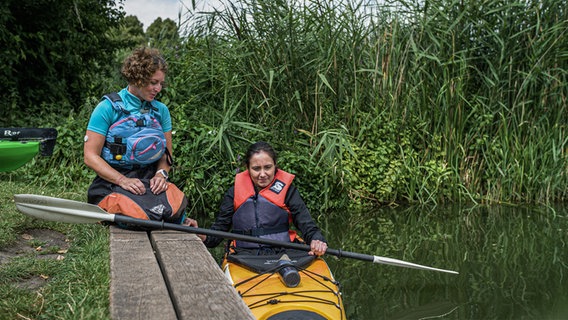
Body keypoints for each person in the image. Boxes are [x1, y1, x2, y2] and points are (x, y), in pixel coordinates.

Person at [84, 47, 197, 227]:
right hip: (114, 179)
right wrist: (123, 180)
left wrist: (161, 175)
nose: (158, 88)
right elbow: (90, 156)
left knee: (174, 206)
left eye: (161, 83)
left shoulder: (161, 111)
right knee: (137, 214)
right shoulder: (107, 108)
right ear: (137, 78)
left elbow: (166, 155)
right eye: (153, 82)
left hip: (148, 179)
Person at [202, 141, 327, 256]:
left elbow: (306, 224)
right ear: (247, 167)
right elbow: (218, 232)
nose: (262, 174)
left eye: (267, 167)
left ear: (275, 165)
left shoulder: (288, 191)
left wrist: (317, 240)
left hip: (284, 251)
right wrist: (202, 236)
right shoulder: (233, 193)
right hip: (245, 254)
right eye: (256, 169)